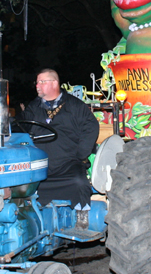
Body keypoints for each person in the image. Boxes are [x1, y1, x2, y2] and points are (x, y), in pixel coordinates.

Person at [22, 69, 99, 229]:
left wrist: (81, 154)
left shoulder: (75, 105)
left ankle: (81, 214)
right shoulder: (33, 107)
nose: (38, 85)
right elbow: (23, 128)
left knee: (79, 182)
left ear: (55, 83)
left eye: (42, 82)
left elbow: (91, 126)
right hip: (41, 164)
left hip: (68, 162)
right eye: (37, 82)